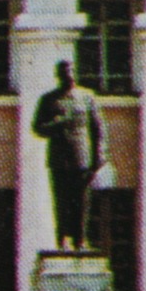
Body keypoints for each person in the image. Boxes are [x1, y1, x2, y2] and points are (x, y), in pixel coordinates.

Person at [31, 60, 108, 250]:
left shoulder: (86, 97)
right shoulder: (49, 99)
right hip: (59, 159)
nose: (68, 75)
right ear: (58, 75)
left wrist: (99, 156)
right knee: (61, 202)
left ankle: (81, 240)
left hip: (82, 158)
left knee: (82, 202)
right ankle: (63, 239)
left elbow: (98, 128)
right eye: (64, 72)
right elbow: (37, 128)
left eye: (71, 71)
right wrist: (55, 124)